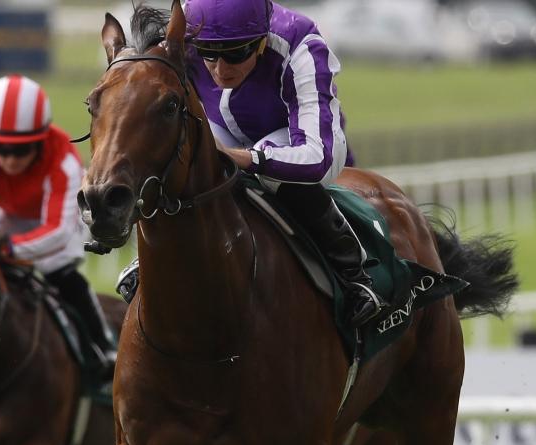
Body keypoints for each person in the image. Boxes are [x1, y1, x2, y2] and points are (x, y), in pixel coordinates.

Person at [118, 0, 380, 327]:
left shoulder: (301, 44)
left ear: (261, 42)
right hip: (223, 127)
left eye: (236, 53)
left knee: (273, 175)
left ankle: (353, 272)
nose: (220, 68)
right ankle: (149, 259)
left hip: (302, 138)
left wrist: (247, 157)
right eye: (208, 53)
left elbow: (317, 158)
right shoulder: (188, 27)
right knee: (177, 158)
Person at [0, 74, 116, 378]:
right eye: (0, 148)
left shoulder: (63, 160)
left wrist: (8, 249)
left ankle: (101, 347)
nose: (10, 159)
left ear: (41, 139)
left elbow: (57, 231)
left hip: (52, 223)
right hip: (2, 217)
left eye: (21, 150)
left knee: (61, 273)